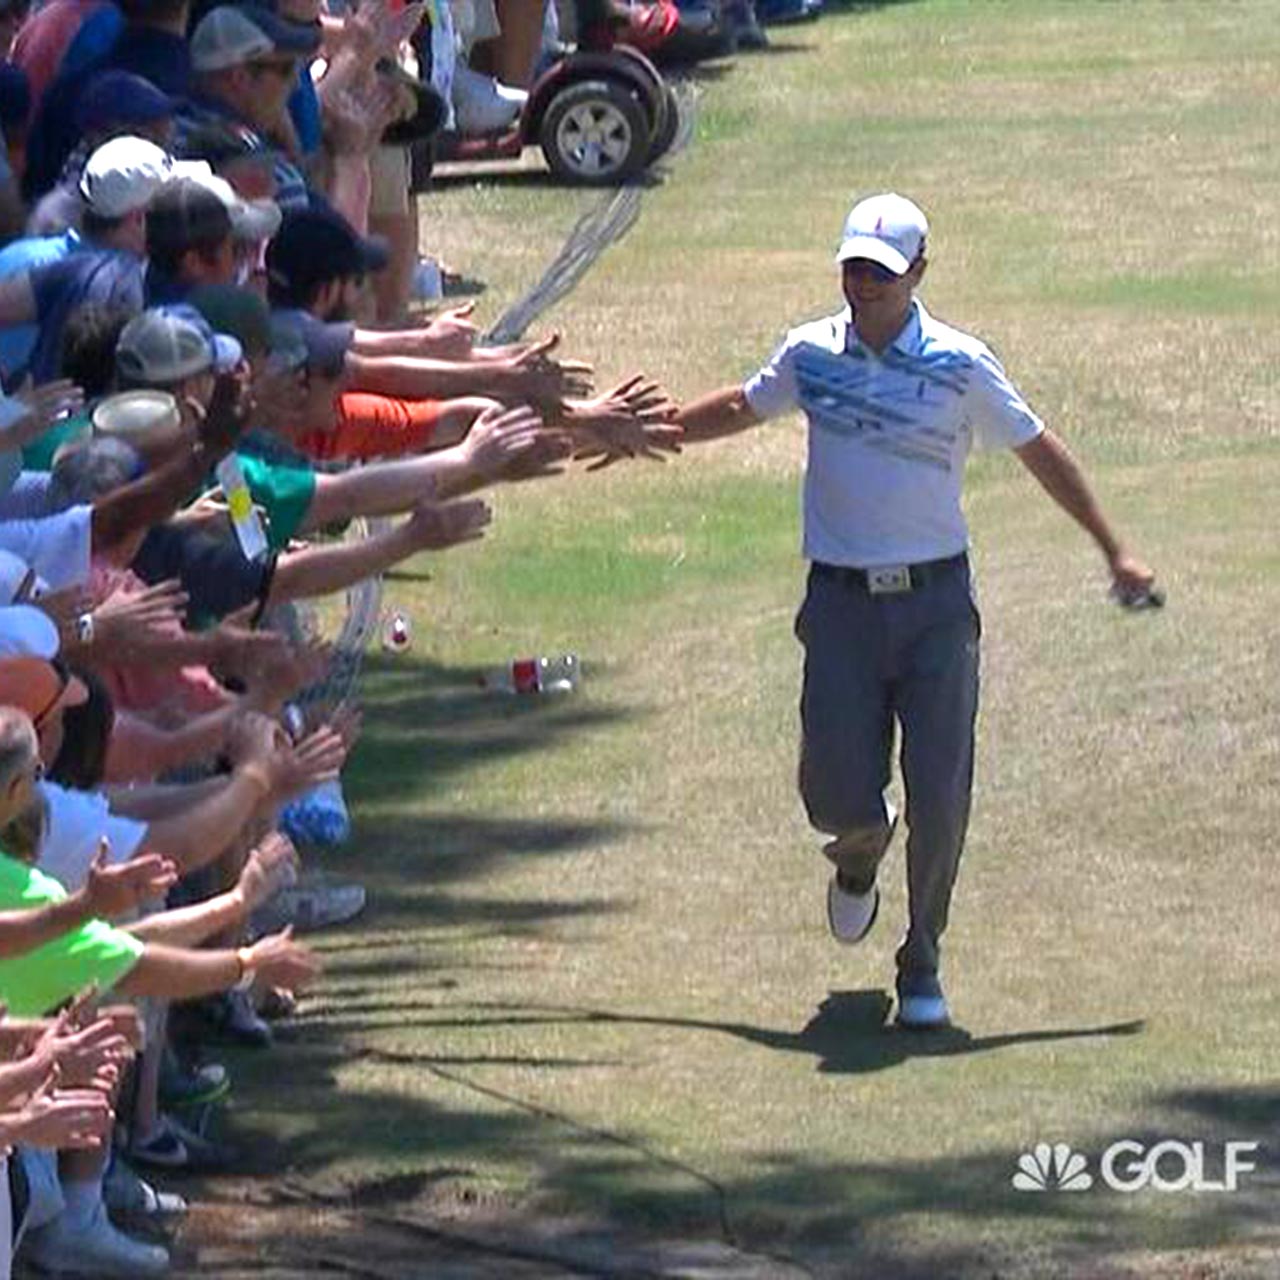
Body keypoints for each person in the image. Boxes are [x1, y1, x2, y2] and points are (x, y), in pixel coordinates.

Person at [667, 192, 1158, 1029]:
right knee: (834, 791)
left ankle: (921, 956)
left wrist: (1113, 548)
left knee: (942, 791)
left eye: (882, 273)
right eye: (854, 268)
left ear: (918, 273)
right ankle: (858, 854)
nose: (864, 285)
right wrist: (638, 433)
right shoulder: (811, 353)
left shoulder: (962, 365)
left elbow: (1040, 451)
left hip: (934, 605)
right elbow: (740, 407)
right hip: (841, 607)